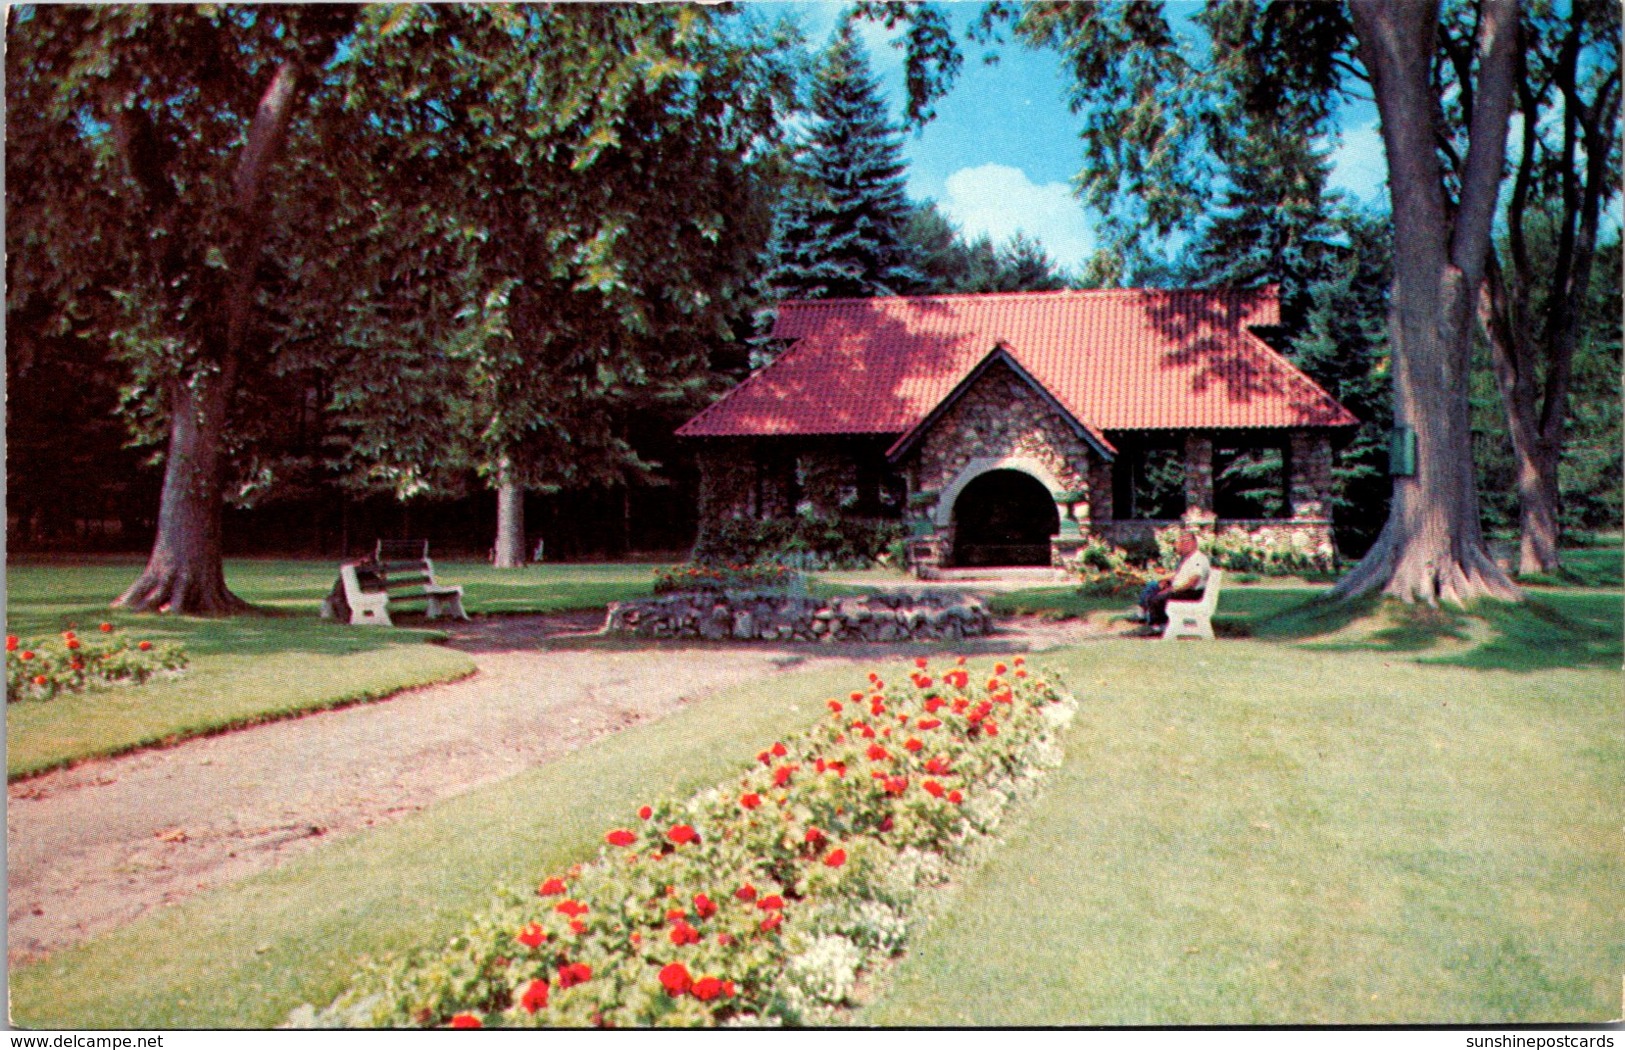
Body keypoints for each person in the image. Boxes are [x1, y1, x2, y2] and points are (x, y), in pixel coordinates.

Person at [1137, 531, 1211, 634]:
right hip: (1185, 590)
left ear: (1191, 543)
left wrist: (1173, 589)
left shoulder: (1199, 559)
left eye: (1183, 543)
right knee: (1153, 588)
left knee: (1157, 598)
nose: (1180, 546)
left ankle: (1157, 627)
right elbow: (1180, 576)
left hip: (1191, 592)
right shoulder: (1190, 559)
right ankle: (1150, 621)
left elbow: (1193, 581)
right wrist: (1166, 581)